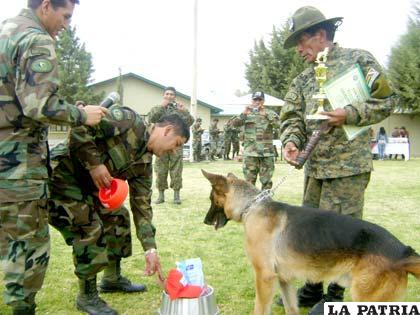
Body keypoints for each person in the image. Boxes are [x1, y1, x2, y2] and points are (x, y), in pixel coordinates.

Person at [278, 6, 394, 315]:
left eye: (301, 43)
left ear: (320, 34)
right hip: (315, 169)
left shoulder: (359, 60)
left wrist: (349, 114)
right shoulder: (303, 80)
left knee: (342, 234)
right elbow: (291, 117)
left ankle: (334, 295)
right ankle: (312, 288)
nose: (300, 51)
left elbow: (386, 101)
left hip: (348, 168)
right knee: (311, 231)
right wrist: (291, 141)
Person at [0, 1, 107, 314]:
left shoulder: (6, 32)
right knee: (28, 246)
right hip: (17, 163)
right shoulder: (35, 39)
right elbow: (40, 105)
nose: (66, 25)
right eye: (65, 16)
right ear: (46, 5)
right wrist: (81, 114)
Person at [48, 109, 190, 314]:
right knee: (89, 228)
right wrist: (94, 164)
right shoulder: (127, 121)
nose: (175, 151)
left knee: (118, 216)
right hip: (61, 178)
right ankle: (87, 296)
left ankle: (111, 279)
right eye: (177, 144)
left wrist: (150, 249)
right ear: (167, 130)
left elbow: (142, 207)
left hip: (88, 190)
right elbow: (79, 128)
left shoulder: (145, 164)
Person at [148, 87, 194, 205]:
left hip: (175, 145)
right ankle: (161, 196)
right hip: (161, 144)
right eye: (167, 94)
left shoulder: (179, 110)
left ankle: (176, 196)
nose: (169, 96)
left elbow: (190, 122)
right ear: (164, 95)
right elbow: (151, 118)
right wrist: (161, 106)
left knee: (176, 169)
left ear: (175, 97)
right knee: (160, 169)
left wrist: (184, 111)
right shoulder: (158, 108)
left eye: (172, 94)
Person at [232, 91, 280, 190]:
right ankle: (250, 204)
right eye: (255, 99)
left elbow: (279, 125)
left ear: (263, 101)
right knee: (249, 183)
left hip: (266, 154)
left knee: (266, 182)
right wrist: (244, 113)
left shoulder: (270, 113)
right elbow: (234, 124)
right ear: (251, 100)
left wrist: (266, 114)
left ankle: (266, 203)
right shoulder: (246, 113)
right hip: (250, 153)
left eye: (260, 99)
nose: (257, 102)